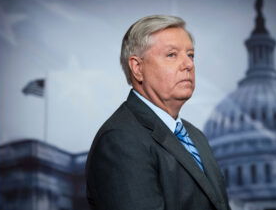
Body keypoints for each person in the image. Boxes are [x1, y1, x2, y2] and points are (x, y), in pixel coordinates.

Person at [85, 15, 230, 210]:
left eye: (190, 55)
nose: (188, 65)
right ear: (137, 68)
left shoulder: (196, 136)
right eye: (172, 55)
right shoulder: (120, 140)